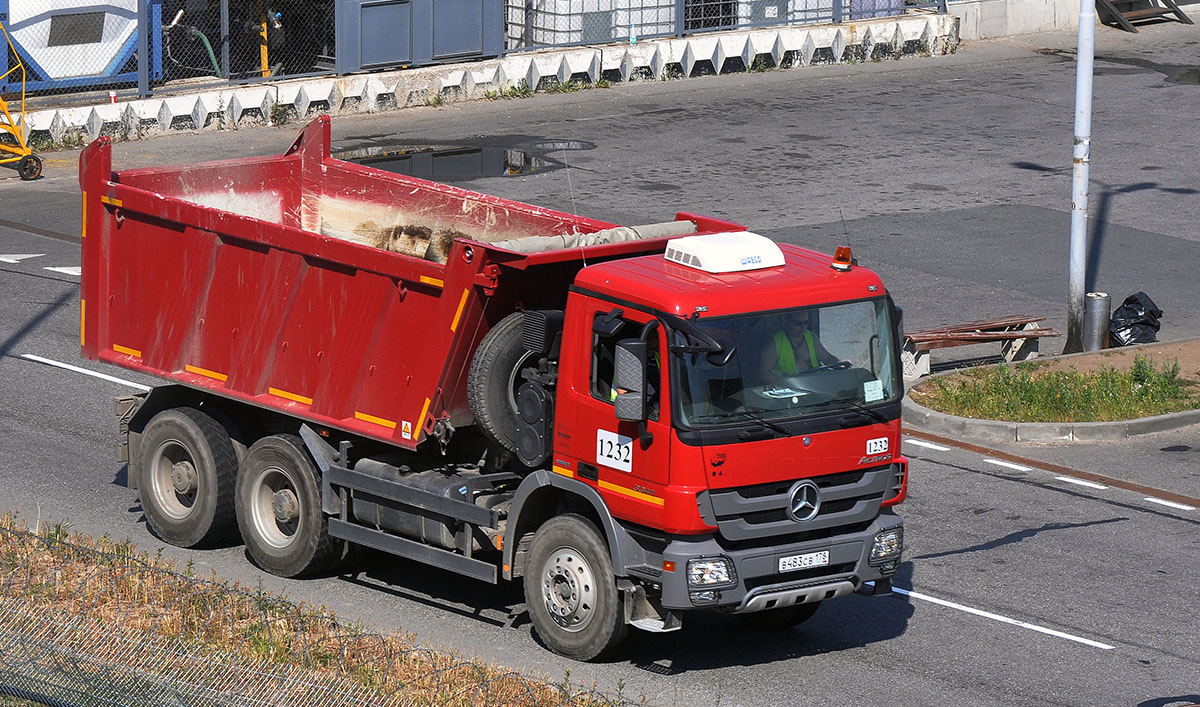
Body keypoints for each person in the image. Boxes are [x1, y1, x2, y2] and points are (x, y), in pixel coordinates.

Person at [759, 310, 843, 381]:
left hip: (816, 385)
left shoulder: (811, 337)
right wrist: (785, 384)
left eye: (806, 323)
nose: (803, 327)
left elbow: (826, 357)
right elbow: (764, 374)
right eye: (798, 324)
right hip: (789, 393)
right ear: (787, 323)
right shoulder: (774, 343)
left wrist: (838, 363)